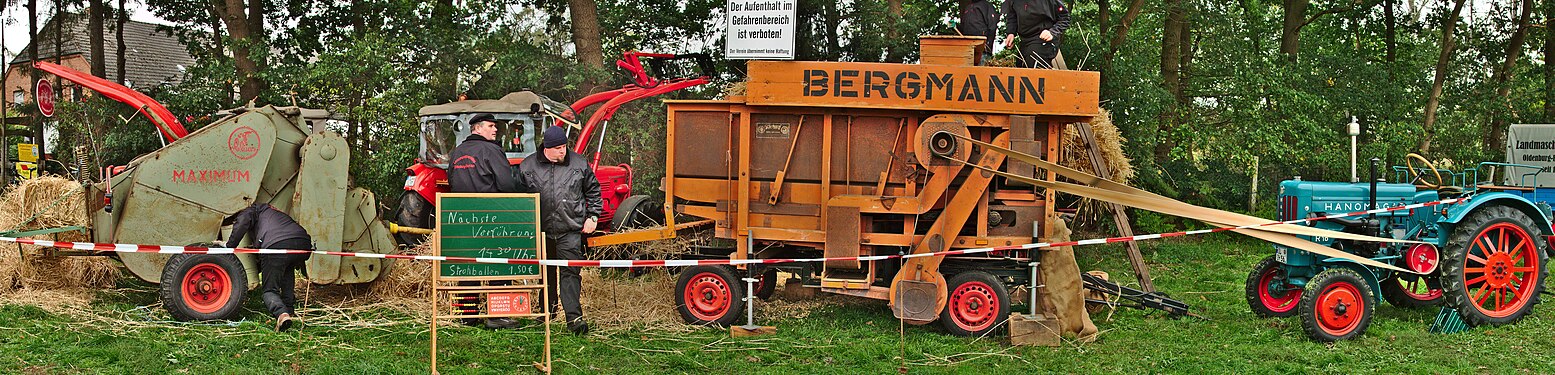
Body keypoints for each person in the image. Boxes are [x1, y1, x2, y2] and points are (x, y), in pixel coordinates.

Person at [514, 125, 602, 336]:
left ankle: (574, 319)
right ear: (547, 147)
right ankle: (547, 312)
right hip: (541, 230)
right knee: (545, 273)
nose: (563, 151)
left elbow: (593, 192)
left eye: (564, 146)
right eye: (558, 148)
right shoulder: (527, 167)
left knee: (570, 273)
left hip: (569, 229)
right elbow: (517, 197)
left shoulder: (579, 164)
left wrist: (593, 217)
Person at [446, 113, 522, 329]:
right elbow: (506, 184)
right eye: (491, 126)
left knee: (468, 267)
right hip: (491, 217)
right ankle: (497, 316)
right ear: (477, 128)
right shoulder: (491, 150)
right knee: (498, 265)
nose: (495, 130)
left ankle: (467, 316)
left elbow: (452, 182)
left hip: (463, 219)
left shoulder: (457, 153)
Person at [220, 202, 312, 332]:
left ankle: (281, 314)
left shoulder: (253, 210)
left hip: (276, 245)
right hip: (303, 242)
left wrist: (230, 245)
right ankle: (289, 310)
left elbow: (243, 221)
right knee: (287, 271)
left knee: (269, 290)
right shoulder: (274, 212)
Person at [1002, 0, 1071, 69]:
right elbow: (1012, 15)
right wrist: (1011, 32)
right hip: (1025, 40)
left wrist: (1052, 32)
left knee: (1032, 64)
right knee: (1020, 67)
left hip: (1043, 39)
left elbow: (1065, 18)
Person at [958, 0, 999, 65]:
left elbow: (992, 27)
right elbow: (963, 28)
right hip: (968, 49)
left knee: (981, 73)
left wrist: (987, 45)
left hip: (982, 50)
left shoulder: (987, 6)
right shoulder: (967, 8)